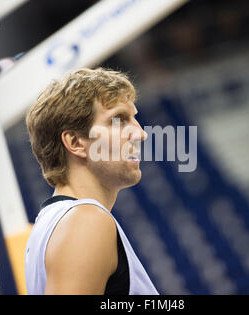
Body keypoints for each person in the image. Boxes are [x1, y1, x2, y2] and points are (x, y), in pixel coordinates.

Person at [24, 68, 159, 295]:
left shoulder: (57, 222)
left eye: (133, 118)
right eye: (118, 120)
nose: (139, 133)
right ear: (76, 142)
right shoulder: (86, 221)